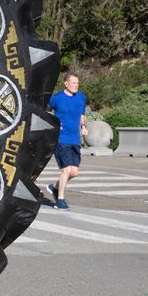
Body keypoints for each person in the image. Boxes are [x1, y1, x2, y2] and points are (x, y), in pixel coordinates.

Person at [46, 74, 88, 210]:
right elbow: (45, 111)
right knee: (66, 169)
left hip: (75, 139)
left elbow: (82, 114)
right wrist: (54, 123)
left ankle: (55, 187)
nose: (76, 85)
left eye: (77, 83)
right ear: (66, 83)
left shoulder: (81, 97)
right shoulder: (57, 98)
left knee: (74, 172)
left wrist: (83, 126)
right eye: (73, 83)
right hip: (61, 138)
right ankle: (60, 200)